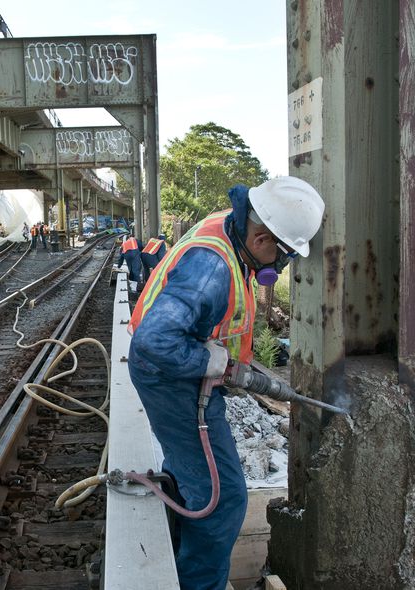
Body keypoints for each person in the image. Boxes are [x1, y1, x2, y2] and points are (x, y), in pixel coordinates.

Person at [126, 177, 325, 590]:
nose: (283, 264)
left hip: (181, 375)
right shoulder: (212, 269)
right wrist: (211, 361)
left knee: (191, 474)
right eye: (284, 254)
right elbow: (154, 341)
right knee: (224, 499)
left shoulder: (234, 230)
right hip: (171, 380)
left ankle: (178, 558)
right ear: (261, 235)